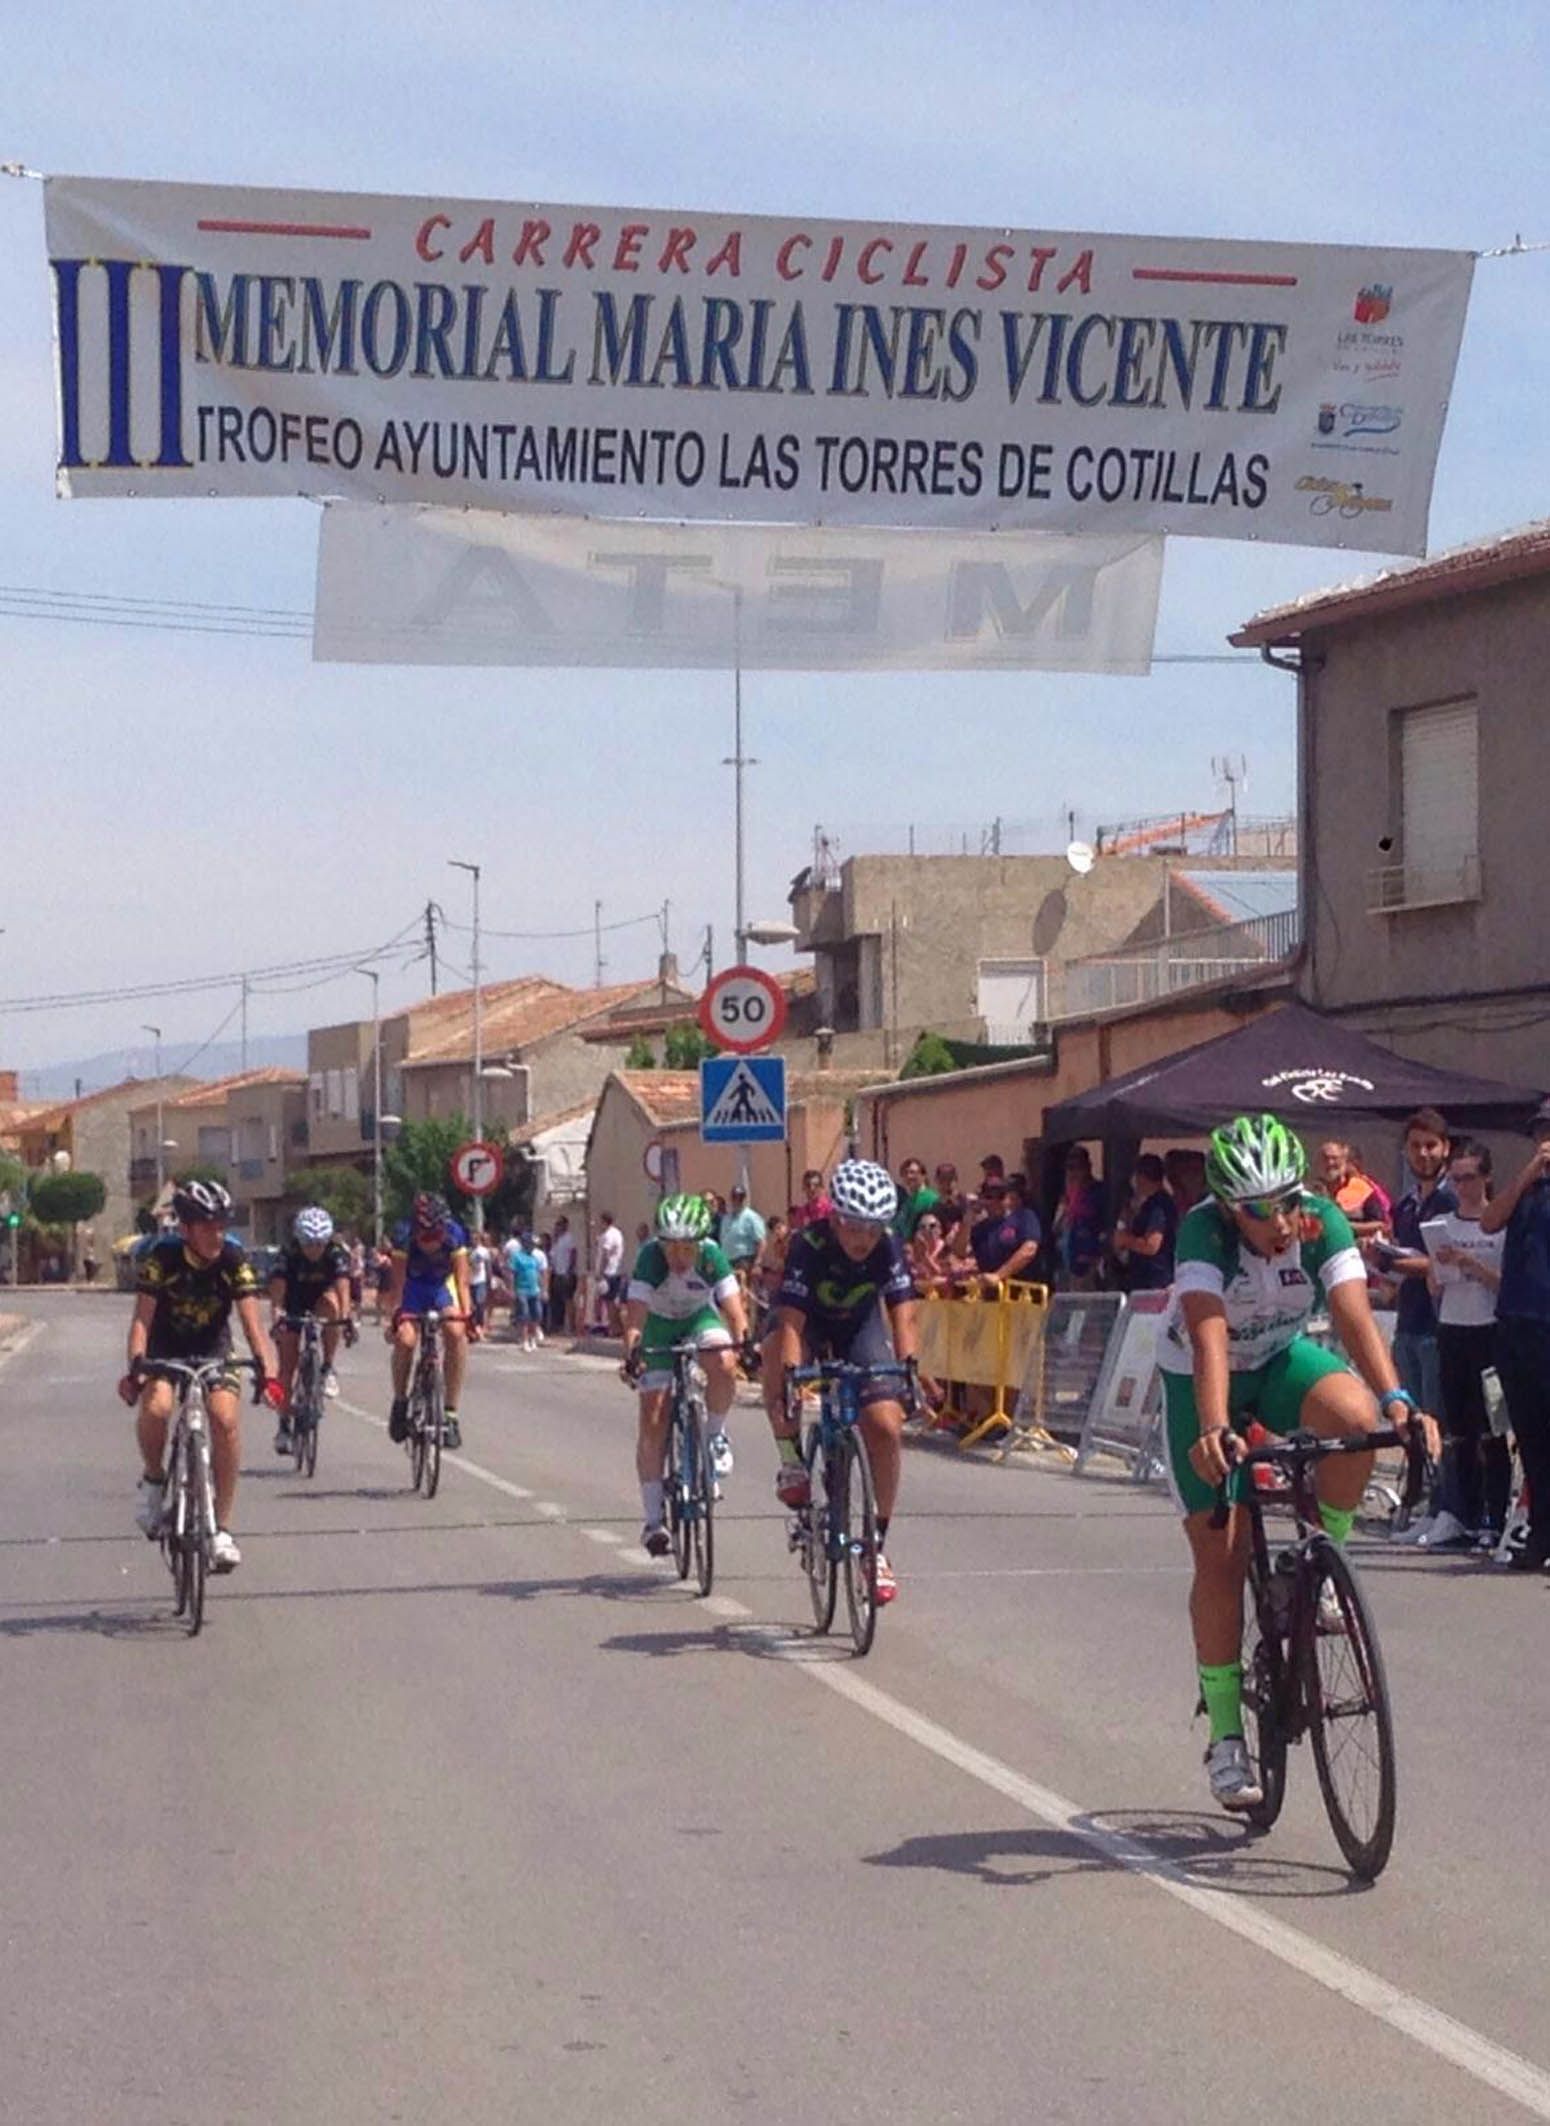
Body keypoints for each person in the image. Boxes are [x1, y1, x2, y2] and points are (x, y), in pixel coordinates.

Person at [1158, 1115, 1437, 1812]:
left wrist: (1399, 1398)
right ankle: (1226, 1735)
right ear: (1228, 1207)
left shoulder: (1318, 1222)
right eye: (1260, 1209)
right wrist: (1218, 1427)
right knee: (1221, 1553)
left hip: (1280, 1361)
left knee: (1356, 1420)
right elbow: (1209, 1338)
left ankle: (1318, 1570)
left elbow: (1351, 1316)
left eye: (1288, 1198)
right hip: (1203, 1380)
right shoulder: (1203, 1233)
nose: (1281, 1220)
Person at [761, 1158, 919, 1603]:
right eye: (853, 1228)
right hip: (807, 1324)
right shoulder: (808, 1244)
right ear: (835, 1218)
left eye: (872, 1229)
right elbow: (791, 1320)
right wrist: (793, 1379)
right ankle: (791, 1457)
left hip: (858, 1328)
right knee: (775, 1351)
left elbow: (903, 1310)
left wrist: (908, 1367)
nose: (862, 1240)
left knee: (886, 1427)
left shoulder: (888, 1244)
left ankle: (876, 1549)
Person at [118, 1177, 281, 1574]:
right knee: (156, 1408)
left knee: (225, 1420)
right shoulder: (163, 1258)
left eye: (223, 1225)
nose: (217, 1234)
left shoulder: (233, 1259)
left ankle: (221, 1529)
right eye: (208, 1226)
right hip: (165, 1347)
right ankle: (155, 1481)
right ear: (187, 1229)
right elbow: (142, 1320)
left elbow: (251, 1323)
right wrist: (136, 1367)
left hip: (213, 1348)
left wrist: (268, 1370)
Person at [621, 1194, 749, 1555]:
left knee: (724, 1362)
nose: (678, 1258)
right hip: (658, 1326)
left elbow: (735, 1312)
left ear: (701, 1243)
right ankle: (653, 1521)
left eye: (687, 1249)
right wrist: (632, 1352)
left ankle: (714, 1435)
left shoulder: (711, 1256)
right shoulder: (649, 1258)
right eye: (671, 1248)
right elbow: (636, 1318)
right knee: (653, 1418)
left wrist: (745, 1344)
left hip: (698, 1318)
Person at [1421, 1141, 1507, 1551]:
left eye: (1468, 1178)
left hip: (1489, 1331)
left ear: (1486, 1177)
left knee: (1493, 1429)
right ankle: (1466, 1515)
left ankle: (1495, 1516)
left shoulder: (1500, 1223)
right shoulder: (1443, 1223)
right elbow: (1435, 1285)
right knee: (1461, 1431)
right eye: (1454, 1179)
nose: (1461, 1187)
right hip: (1452, 1327)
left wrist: (1470, 1264)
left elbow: (1508, 1286)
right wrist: (1437, 1272)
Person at [1481, 1102, 1550, 1572]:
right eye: (1541, 1132)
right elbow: (1489, 1221)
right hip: (1517, 1322)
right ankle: (1541, 1533)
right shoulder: (1527, 1188)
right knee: (1530, 1436)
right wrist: (1529, 1173)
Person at [1370, 1109, 1456, 1433]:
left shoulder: (1451, 1199)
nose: (1423, 1154)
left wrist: (1392, 1262)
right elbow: (1396, 1263)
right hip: (1406, 1323)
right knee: (1410, 1425)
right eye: (1415, 1146)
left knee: (1437, 1426)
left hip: (1438, 1329)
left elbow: (1446, 1262)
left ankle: (1442, 1486)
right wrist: (1379, 1259)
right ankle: (1419, 1485)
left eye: (1430, 1145)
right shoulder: (1405, 1205)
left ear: (1445, 1148)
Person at [382, 1191, 478, 1451]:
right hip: (413, 1287)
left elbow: (461, 1282)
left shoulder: (455, 1233)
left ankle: (451, 1413)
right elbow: (398, 1285)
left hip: (440, 1286)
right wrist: (396, 1318)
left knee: (455, 1332)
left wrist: (468, 1317)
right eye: (424, 1237)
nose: (430, 1244)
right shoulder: (404, 1235)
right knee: (406, 1339)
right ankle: (400, 1401)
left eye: (435, 1237)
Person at [267, 1205, 354, 1455]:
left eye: (319, 1244)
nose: (314, 1250)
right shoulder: (288, 1255)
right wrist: (278, 1321)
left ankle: (327, 1367)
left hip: (320, 1298)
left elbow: (343, 1288)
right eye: (308, 1244)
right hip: (294, 1300)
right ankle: (284, 1426)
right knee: (287, 1365)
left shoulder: (336, 1254)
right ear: (299, 1240)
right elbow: (277, 1297)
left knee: (333, 1307)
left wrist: (346, 1319)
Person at [1110, 1154, 1178, 1292]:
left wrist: (1125, 1239)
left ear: (1142, 1177)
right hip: (1141, 1281)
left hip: (1156, 1284)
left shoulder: (1159, 1205)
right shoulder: (1148, 1204)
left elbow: (1152, 1245)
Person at [968, 1171, 1042, 1288]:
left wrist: (998, 1276)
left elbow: (1030, 1249)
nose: (996, 1201)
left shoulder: (1024, 1217)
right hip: (990, 1297)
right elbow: (959, 1251)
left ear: (1009, 1197)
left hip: (1022, 1295)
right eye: (989, 1197)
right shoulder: (979, 1229)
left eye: (1001, 1196)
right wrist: (967, 1217)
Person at [1315, 1139, 1392, 1239]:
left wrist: (1344, 1226)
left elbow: (1382, 1225)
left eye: (1335, 1158)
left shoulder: (1362, 1189)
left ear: (1345, 1161)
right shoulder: (1312, 1191)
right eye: (1325, 1158)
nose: (1330, 1163)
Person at [1052, 1146, 1106, 1290]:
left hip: (1089, 1265)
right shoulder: (1067, 1195)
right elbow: (1057, 1227)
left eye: (1078, 1168)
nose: (1073, 1173)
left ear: (1088, 1167)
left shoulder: (1098, 1192)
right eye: (1070, 1168)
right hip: (1067, 1264)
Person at [504, 1228, 546, 1353]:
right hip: (521, 1290)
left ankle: (533, 1339)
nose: (533, 1246)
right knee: (524, 1315)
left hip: (534, 1290)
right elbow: (511, 1273)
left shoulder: (533, 1257)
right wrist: (511, 1290)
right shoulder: (516, 1257)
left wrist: (542, 1289)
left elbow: (538, 1273)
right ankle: (525, 1340)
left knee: (536, 1315)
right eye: (531, 1244)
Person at [719, 1183, 767, 1279]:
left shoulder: (751, 1217)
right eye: (734, 1197)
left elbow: (761, 1242)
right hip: (727, 1262)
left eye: (740, 1198)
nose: (737, 1201)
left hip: (744, 1262)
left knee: (744, 1291)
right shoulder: (726, 1218)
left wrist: (757, 1263)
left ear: (744, 1199)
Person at [594, 1211, 626, 1335]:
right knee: (612, 1301)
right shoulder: (617, 1233)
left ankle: (614, 1327)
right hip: (616, 1270)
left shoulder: (608, 1235)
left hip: (608, 1272)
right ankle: (616, 1327)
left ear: (604, 1221)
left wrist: (600, 1273)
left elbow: (604, 1256)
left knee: (609, 1302)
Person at [893, 1156, 940, 1241]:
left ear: (923, 1175)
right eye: (905, 1173)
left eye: (912, 1172)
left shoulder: (931, 1199)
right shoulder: (907, 1201)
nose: (908, 1176)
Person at [548, 1213, 579, 1335]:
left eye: (560, 1224)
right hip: (557, 1273)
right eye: (557, 1224)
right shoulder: (557, 1240)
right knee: (557, 1301)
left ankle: (571, 1326)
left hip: (566, 1273)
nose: (558, 1227)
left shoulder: (569, 1238)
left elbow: (573, 1254)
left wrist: (570, 1269)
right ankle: (558, 1326)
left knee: (568, 1300)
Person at [467, 1229, 495, 1333]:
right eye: (471, 1239)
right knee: (472, 1305)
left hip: (480, 1280)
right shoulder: (468, 1251)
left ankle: (480, 1324)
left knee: (480, 1303)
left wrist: (489, 1279)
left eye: (475, 1239)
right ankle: (473, 1326)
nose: (473, 1241)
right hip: (470, 1281)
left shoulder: (483, 1251)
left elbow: (488, 1266)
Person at [788, 1168, 832, 1232]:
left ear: (822, 1186)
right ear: (803, 1187)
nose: (812, 1188)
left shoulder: (830, 1209)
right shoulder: (801, 1213)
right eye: (808, 1185)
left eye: (816, 1185)